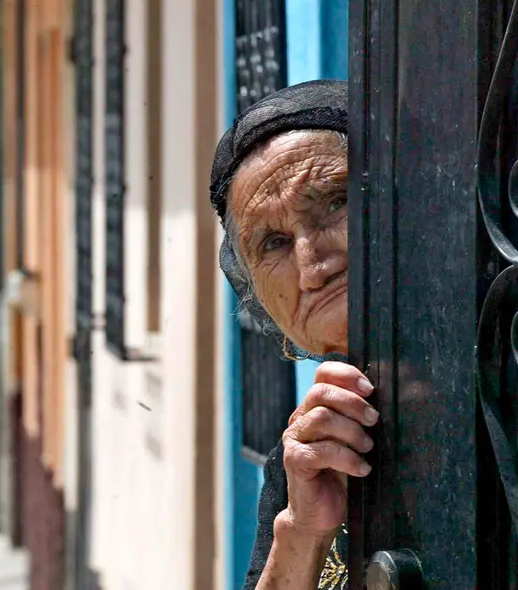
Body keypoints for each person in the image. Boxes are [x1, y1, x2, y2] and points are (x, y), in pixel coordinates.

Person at [210, 79, 374, 590]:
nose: (313, 266)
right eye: (274, 243)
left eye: (336, 202)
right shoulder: (305, 456)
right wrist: (303, 530)